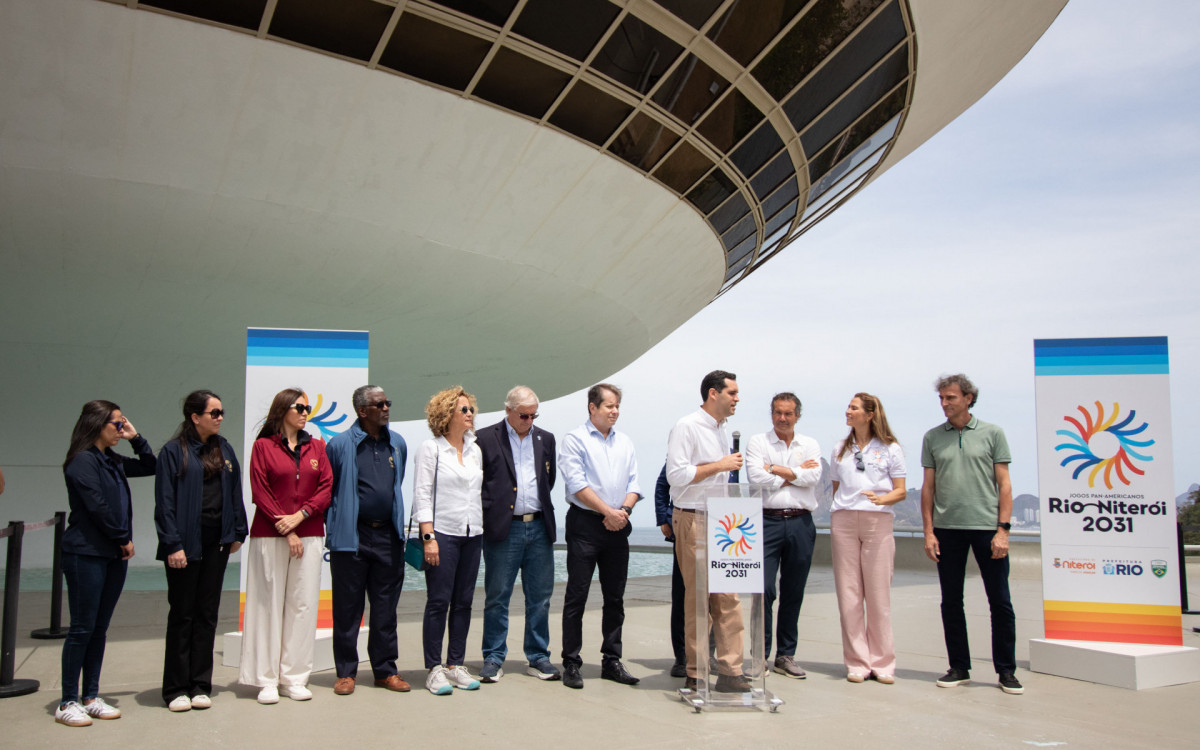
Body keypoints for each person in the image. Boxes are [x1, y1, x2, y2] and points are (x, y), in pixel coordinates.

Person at [921, 374, 1022, 695]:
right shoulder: (933, 437)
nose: (945, 403)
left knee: (1000, 602)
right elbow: (928, 488)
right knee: (951, 602)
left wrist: (1002, 530)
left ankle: (1006, 670)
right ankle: (959, 667)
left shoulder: (993, 434)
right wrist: (928, 531)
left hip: (987, 529)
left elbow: (1004, 484)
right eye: (941, 398)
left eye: (950, 397)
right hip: (946, 530)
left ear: (968, 398)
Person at [57, 400, 155, 727]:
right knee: (82, 628)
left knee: (99, 628)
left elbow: (150, 465)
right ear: (97, 424)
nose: (120, 428)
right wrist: (122, 538)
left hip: (112, 555)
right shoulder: (82, 461)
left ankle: (90, 696)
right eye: (116, 424)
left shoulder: (109, 459)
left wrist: (135, 437)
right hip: (86, 553)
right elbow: (97, 507)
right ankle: (68, 699)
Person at [154, 390, 249, 712]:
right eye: (214, 413)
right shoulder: (172, 452)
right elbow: (164, 503)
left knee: (207, 615)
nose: (220, 417)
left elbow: (235, 492)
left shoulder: (224, 449)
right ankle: (176, 689)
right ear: (195, 417)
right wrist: (173, 544)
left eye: (222, 412)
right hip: (185, 544)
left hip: (216, 543)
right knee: (183, 614)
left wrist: (238, 530)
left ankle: (199, 685)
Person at [239, 388, 333, 705]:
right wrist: (287, 526)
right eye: (299, 407)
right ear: (282, 410)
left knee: (303, 606)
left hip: (310, 533)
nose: (306, 412)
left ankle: (294, 678)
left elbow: (325, 488)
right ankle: (265, 679)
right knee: (267, 604)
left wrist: (301, 516)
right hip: (270, 533)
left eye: (307, 407)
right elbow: (260, 490)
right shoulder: (263, 447)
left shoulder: (318, 446)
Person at [665, 370, 748, 693]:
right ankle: (696, 672)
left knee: (729, 597)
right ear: (713, 394)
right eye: (732, 393)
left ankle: (730, 670)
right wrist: (720, 465)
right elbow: (677, 475)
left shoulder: (723, 429)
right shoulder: (687, 426)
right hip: (694, 518)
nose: (737, 399)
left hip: (725, 522)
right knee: (698, 599)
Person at [325, 385, 409, 696]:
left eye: (388, 402)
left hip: (388, 536)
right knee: (347, 609)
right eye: (379, 404)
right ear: (363, 411)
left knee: (386, 609)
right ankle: (346, 673)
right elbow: (329, 491)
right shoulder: (339, 444)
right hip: (352, 538)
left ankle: (385, 671)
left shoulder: (397, 444)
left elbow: (395, 484)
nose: (386, 408)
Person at [558, 383, 642, 689]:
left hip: (618, 525)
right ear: (592, 408)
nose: (615, 411)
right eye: (609, 405)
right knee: (577, 595)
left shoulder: (626, 443)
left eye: (617, 405)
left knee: (615, 597)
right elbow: (577, 484)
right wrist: (608, 511)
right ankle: (571, 661)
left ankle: (612, 660)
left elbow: (634, 482)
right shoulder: (575, 440)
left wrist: (623, 512)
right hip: (585, 525)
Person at [476, 386, 559, 683]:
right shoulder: (485, 438)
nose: (529, 420)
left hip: (538, 526)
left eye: (534, 415)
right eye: (524, 415)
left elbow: (547, 481)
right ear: (508, 410)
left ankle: (538, 656)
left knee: (540, 597)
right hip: (504, 528)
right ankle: (494, 656)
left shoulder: (545, 439)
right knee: (498, 596)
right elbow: (480, 482)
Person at [828, 393, 907, 684]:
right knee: (849, 595)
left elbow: (901, 490)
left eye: (854, 408)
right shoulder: (840, 448)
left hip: (878, 520)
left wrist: (881, 498)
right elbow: (837, 487)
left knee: (877, 595)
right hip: (844, 520)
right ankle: (858, 662)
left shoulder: (890, 448)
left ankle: (883, 663)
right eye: (848, 406)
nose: (848, 411)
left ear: (870, 414)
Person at [744, 392, 821, 680]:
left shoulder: (809, 444)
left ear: (797, 415)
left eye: (788, 413)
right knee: (763, 589)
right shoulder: (758, 442)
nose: (782, 418)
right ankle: (759, 656)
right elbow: (756, 477)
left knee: (793, 591)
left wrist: (775, 469)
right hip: (766, 522)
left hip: (801, 523)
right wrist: (795, 474)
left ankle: (785, 656)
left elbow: (814, 477)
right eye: (777, 412)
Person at [412, 386, 484, 696]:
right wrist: (428, 537)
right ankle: (434, 668)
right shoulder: (431, 448)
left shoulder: (475, 450)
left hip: (473, 533)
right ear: (447, 414)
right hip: (442, 533)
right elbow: (422, 494)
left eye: (471, 410)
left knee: (464, 602)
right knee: (439, 601)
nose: (470, 415)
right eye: (464, 410)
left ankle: (455, 665)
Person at [654, 464, 687, 678]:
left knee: (718, 599)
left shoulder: (731, 452)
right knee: (682, 596)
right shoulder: (682, 447)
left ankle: (709, 653)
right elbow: (662, 486)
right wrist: (665, 517)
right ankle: (683, 656)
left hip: (722, 530)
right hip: (686, 527)